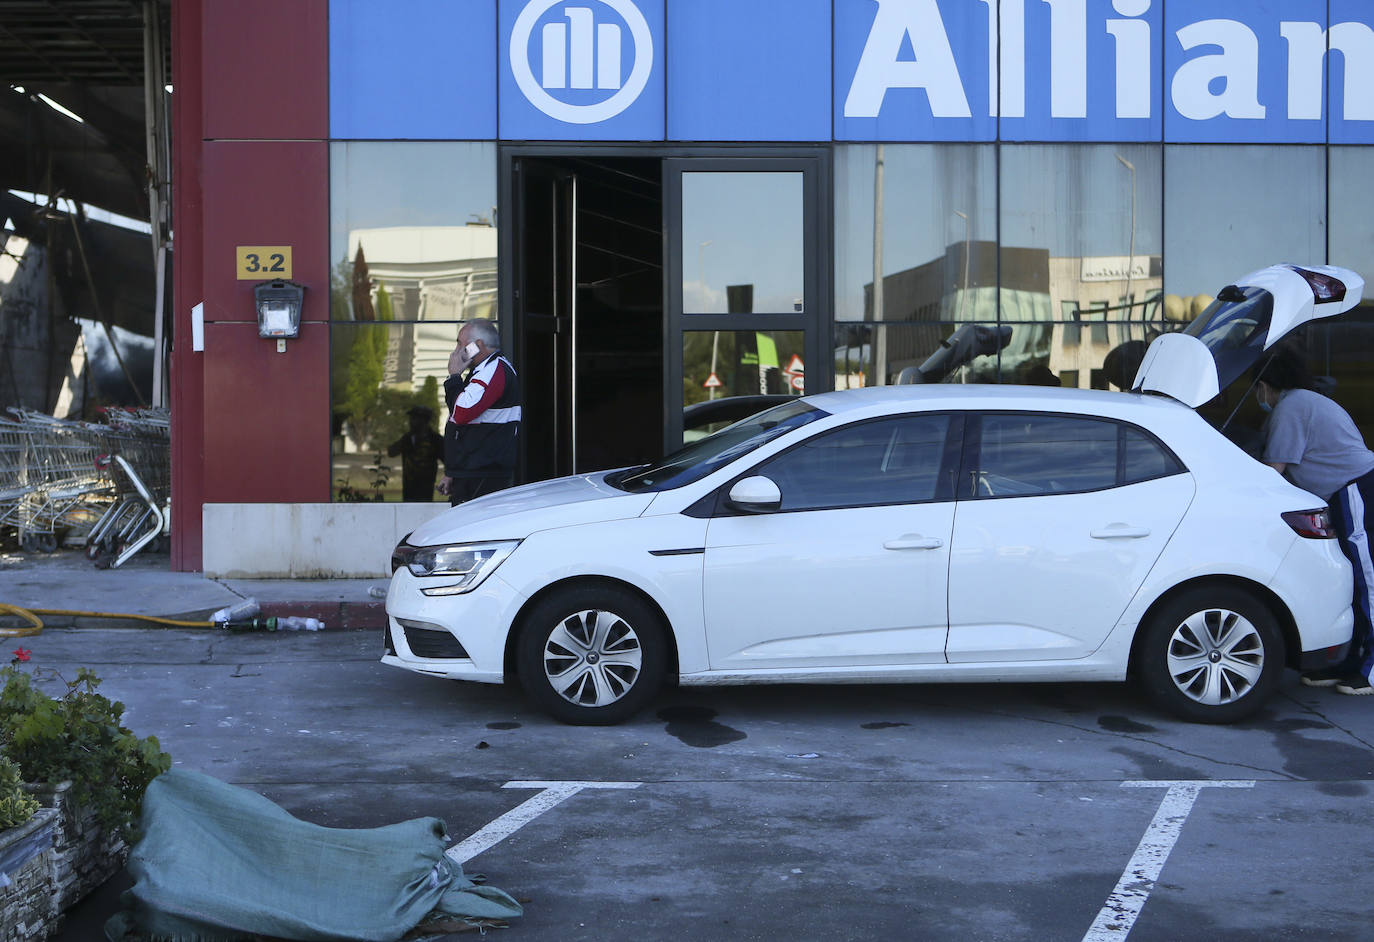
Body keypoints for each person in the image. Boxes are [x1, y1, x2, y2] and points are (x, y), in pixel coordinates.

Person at [1255, 347, 1374, 695]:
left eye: (1257, 390)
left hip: (1355, 490)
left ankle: (1369, 669)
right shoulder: (1303, 401)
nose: (1257, 398)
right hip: (1345, 492)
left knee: (1367, 579)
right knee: (1352, 580)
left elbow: (1273, 471)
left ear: (1264, 385)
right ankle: (1350, 662)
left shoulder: (1292, 406)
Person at [438, 320, 520, 505]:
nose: (457, 350)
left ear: (479, 345)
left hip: (484, 474)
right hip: (472, 472)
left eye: (460, 343)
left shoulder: (494, 369)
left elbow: (462, 413)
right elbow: (462, 423)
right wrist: (453, 473)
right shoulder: (481, 371)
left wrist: (453, 377)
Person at [386, 406, 444, 502]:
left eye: (415, 418)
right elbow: (391, 452)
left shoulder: (435, 440)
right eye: (411, 418)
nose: (411, 422)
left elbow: (447, 460)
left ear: (424, 420)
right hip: (409, 486)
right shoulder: (408, 438)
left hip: (426, 486)